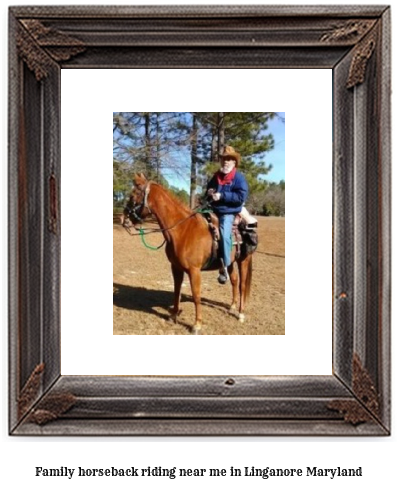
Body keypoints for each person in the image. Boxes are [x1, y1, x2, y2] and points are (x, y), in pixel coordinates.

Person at [207, 145, 249, 284]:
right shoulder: (216, 176)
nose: (226, 161)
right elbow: (209, 188)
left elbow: (240, 197)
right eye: (224, 159)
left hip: (228, 212)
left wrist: (222, 195)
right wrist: (210, 192)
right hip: (213, 210)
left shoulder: (238, 178)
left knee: (225, 233)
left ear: (234, 162)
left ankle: (224, 266)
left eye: (229, 159)